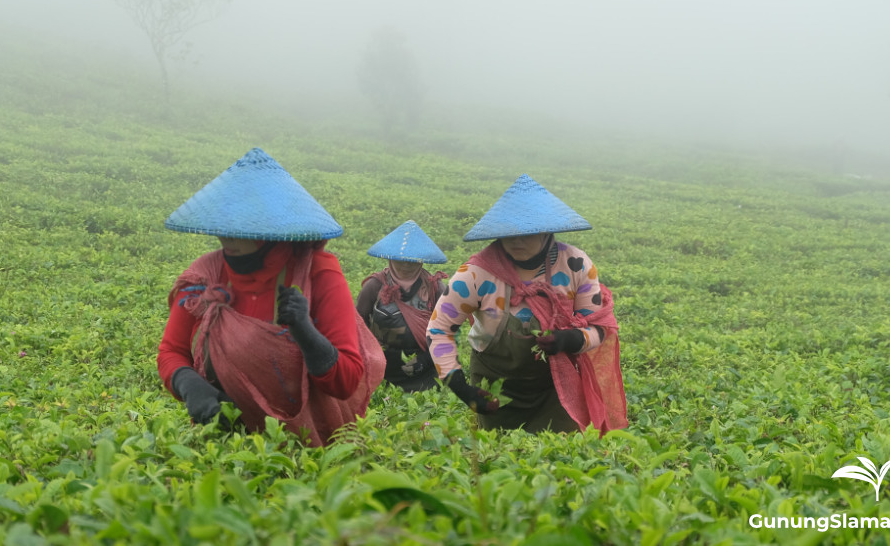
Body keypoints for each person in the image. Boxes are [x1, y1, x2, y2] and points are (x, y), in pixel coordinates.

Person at [157, 147, 385, 446]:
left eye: (242, 228)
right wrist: (188, 384)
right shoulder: (204, 277)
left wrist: (307, 333)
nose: (228, 237)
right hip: (227, 443)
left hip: (309, 446)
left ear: (272, 227)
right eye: (224, 226)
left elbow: (346, 382)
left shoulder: (317, 272)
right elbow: (171, 351)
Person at [426, 174, 627, 433]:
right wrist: (461, 387)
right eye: (508, 233)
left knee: (558, 460)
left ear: (547, 232)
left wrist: (570, 340)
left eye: (527, 233)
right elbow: (438, 330)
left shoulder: (575, 265)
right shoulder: (476, 274)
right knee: (499, 458)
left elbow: (600, 326)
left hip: (555, 386)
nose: (516, 240)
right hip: (493, 385)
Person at [355, 220, 449, 392]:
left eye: (412, 260)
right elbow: (356, 326)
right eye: (400, 259)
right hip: (380, 368)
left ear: (421, 260)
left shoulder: (434, 289)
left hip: (424, 374)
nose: (406, 264)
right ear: (391, 257)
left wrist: (426, 360)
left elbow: (447, 332)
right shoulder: (375, 286)